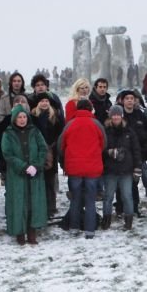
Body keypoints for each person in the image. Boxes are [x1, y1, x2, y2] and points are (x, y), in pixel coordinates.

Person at [59, 98, 105, 238]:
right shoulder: (96, 123)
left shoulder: (70, 124)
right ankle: (90, 231)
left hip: (74, 168)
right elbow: (104, 143)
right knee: (90, 200)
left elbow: (61, 145)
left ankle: (74, 227)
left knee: (76, 199)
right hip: (92, 168)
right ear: (90, 109)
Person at [2, 105, 48, 245]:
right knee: (18, 203)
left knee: (33, 203)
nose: (22, 120)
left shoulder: (35, 131)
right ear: (14, 119)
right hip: (17, 175)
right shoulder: (8, 134)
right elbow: (8, 154)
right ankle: (20, 233)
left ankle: (32, 232)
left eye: (24, 117)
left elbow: (42, 148)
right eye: (19, 117)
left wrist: (37, 165)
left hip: (35, 174)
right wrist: (23, 166)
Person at [101, 105, 141, 231]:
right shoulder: (105, 131)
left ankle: (128, 222)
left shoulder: (129, 131)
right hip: (110, 170)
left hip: (126, 170)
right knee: (108, 197)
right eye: (114, 115)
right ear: (110, 116)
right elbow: (100, 149)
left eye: (118, 114)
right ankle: (106, 220)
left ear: (122, 116)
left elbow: (136, 150)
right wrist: (109, 152)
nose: (116, 117)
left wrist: (137, 167)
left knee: (127, 196)